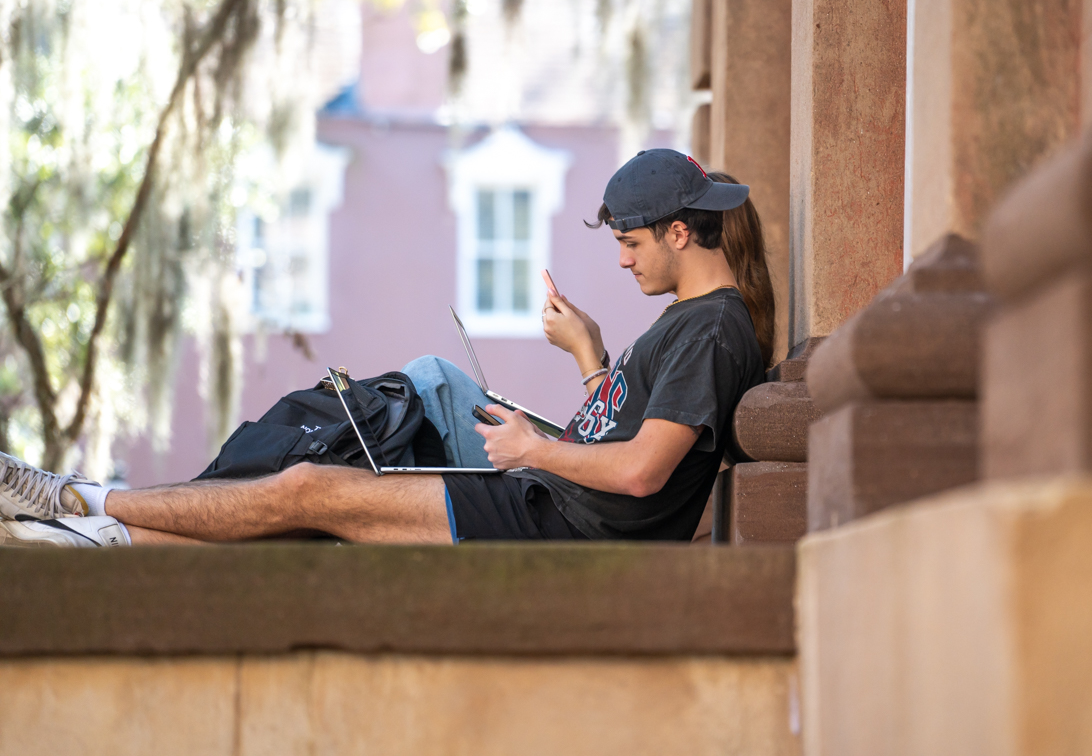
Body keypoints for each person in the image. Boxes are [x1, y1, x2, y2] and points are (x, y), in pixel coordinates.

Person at [0, 150, 772, 547]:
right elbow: (623, 436)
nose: (622, 260)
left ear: (680, 230)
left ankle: (81, 500)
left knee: (309, 488)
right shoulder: (689, 319)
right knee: (310, 505)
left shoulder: (710, 327)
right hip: (549, 501)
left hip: (553, 518)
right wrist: (591, 356)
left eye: (632, 242)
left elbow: (641, 471)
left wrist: (534, 449)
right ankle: (100, 532)